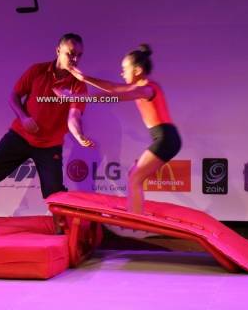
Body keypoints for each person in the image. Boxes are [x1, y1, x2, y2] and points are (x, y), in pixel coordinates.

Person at [0, 33, 93, 228]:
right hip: (20, 136)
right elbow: (14, 96)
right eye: (71, 53)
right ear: (58, 50)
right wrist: (24, 118)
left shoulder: (79, 85)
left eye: (79, 55)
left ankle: (61, 230)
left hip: (50, 145)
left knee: (55, 193)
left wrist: (78, 134)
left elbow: (74, 116)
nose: (75, 59)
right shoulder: (37, 71)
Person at [55, 44, 181, 214]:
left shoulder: (147, 89)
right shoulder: (141, 87)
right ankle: (135, 214)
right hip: (165, 138)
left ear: (137, 70)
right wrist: (84, 78)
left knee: (135, 178)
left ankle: (135, 219)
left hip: (166, 139)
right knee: (134, 176)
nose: (122, 73)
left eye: (125, 69)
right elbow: (113, 87)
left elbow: (114, 95)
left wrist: (75, 97)